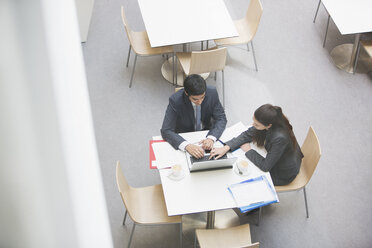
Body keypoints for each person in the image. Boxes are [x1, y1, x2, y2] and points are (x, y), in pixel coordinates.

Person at [210, 104, 303, 186]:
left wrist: (249, 151)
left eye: (257, 124)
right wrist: (226, 148)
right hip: (277, 159)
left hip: (282, 173)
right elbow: (248, 134)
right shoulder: (273, 120)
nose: (253, 125)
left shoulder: (280, 138)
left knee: (243, 177)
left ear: (268, 125)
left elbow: (265, 166)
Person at [161, 74, 227, 159]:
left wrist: (211, 138)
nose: (200, 102)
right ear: (186, 93)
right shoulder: (175, 100)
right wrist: (187, 146)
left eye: (202, 97)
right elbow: (166, 130)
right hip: (186, 136)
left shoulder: (212, 93)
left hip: (206, 133)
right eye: (195, 99)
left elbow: (221, 118)